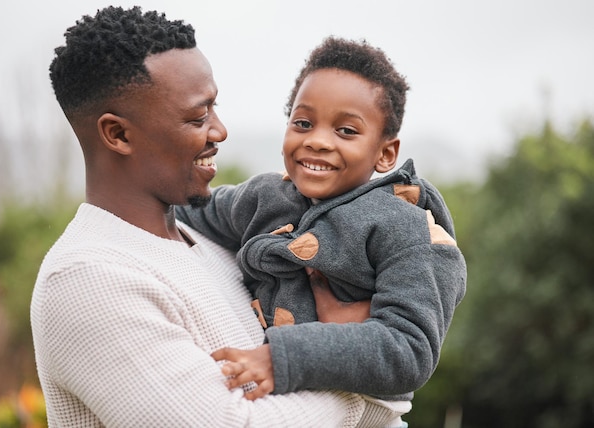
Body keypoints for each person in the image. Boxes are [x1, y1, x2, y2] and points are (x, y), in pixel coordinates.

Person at [30, 6, 406, 427]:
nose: (219, 130)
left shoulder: (217, 244)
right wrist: (358, 383)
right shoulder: (89, 280)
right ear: (118, 134)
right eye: (197, 117)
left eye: (215, 108)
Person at [174, 37, 467, 409]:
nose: (317, 141)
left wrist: (281, 358)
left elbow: (409, 351)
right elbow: (189, 209)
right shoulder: (264, 196)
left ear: (385, 153)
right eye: (303, 122)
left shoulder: (405, 229)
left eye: (346, 131)